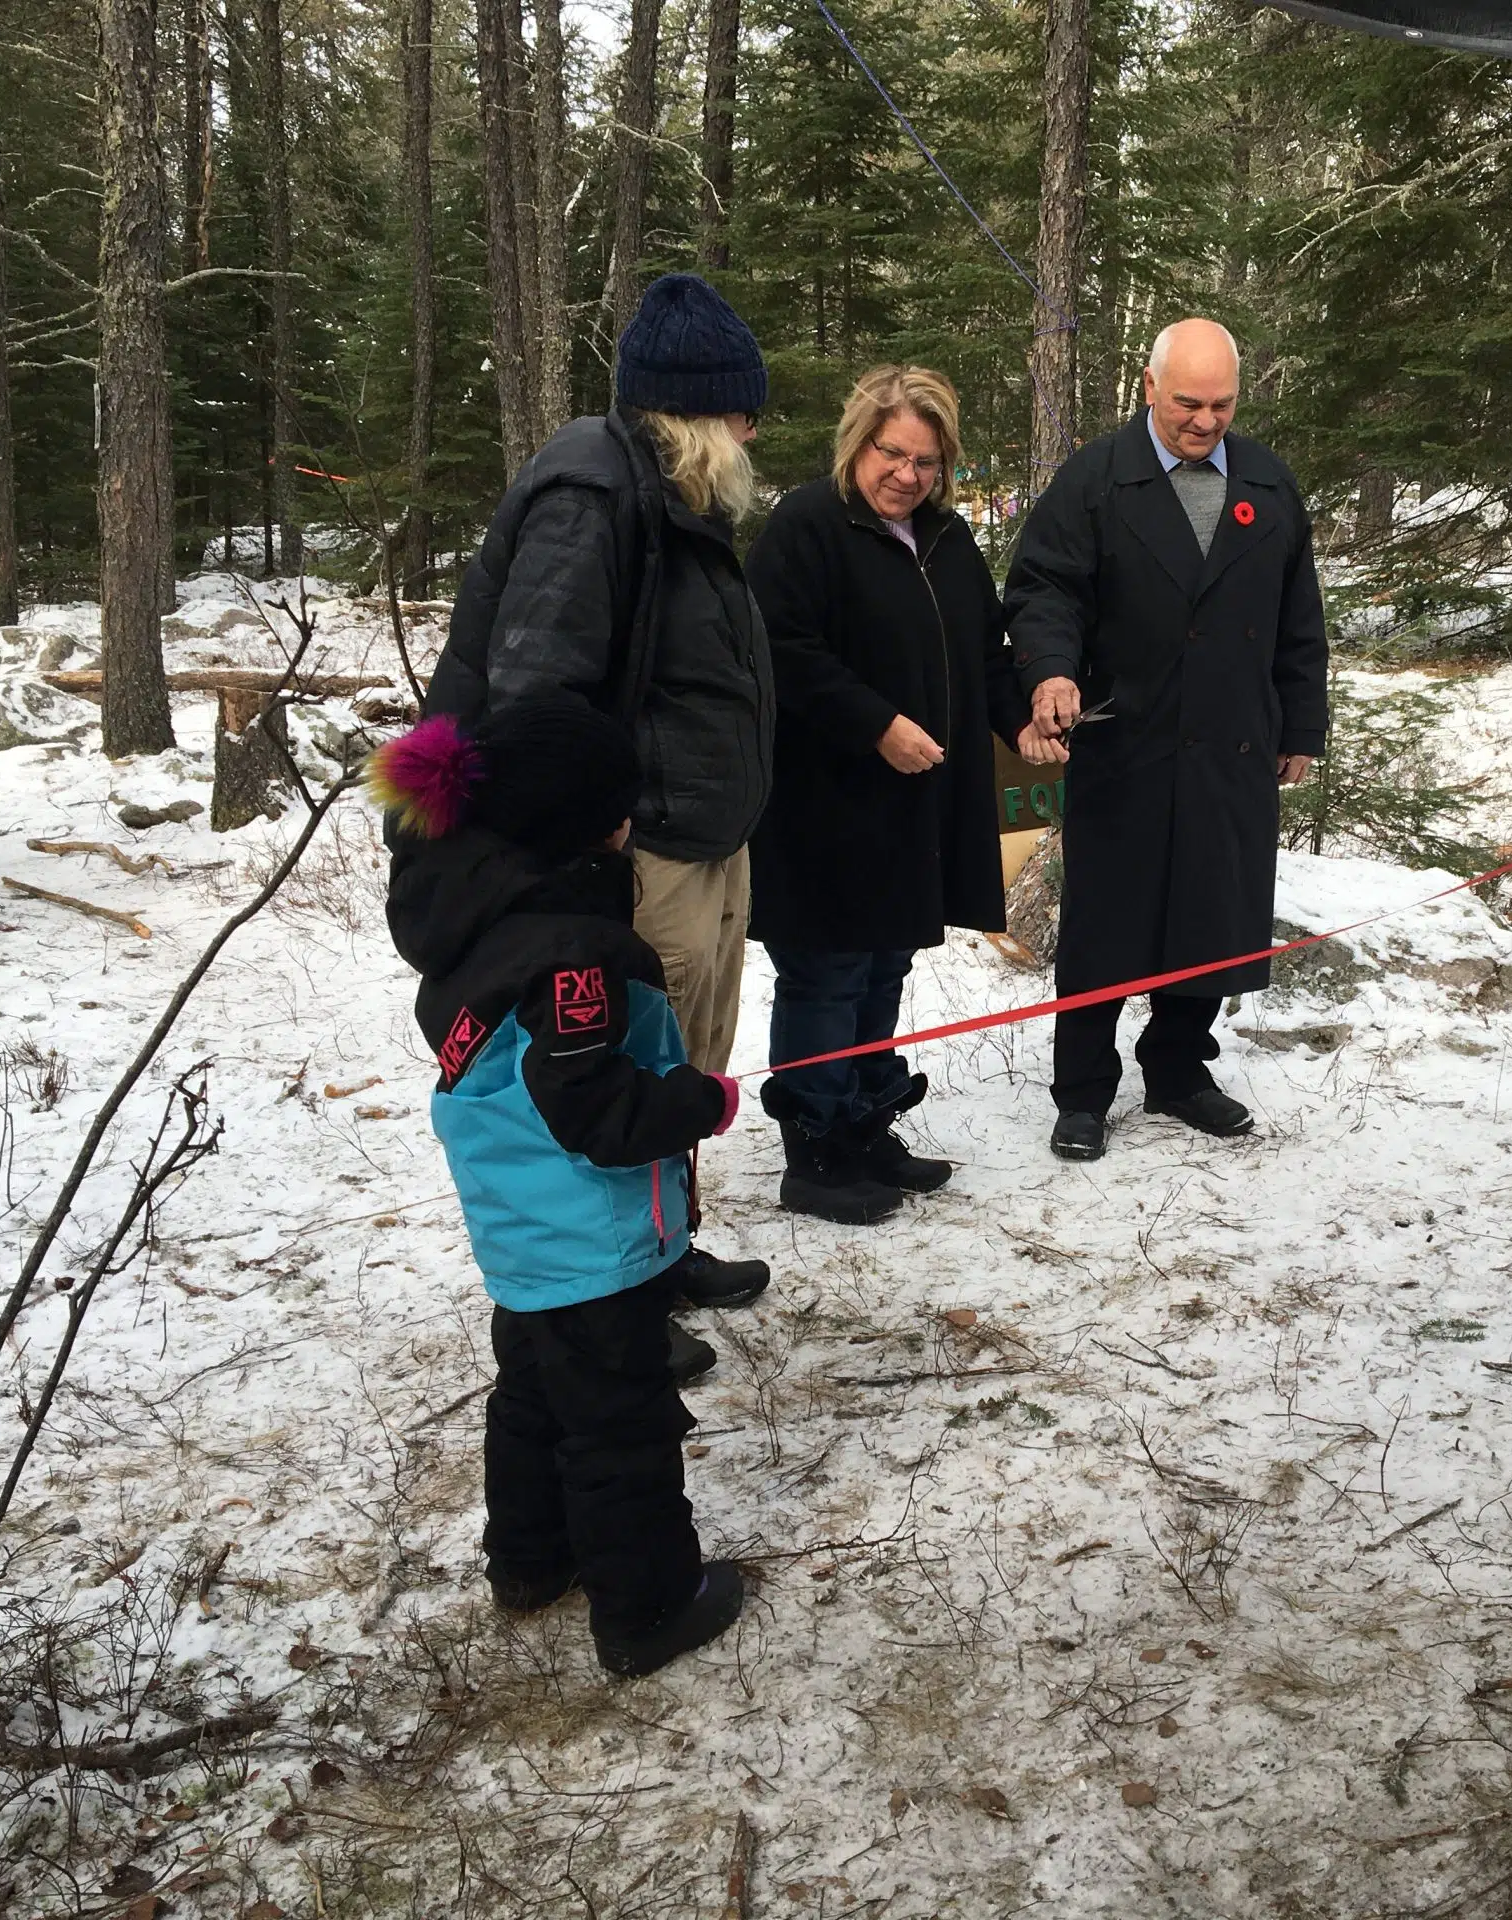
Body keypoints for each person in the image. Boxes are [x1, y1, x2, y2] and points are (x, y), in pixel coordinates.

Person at [374, 697, 747, 1680]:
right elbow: (592, 1112)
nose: (633, 820)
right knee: (620, 1423)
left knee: (534, 1397)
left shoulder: (478, 917)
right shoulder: (571, 950)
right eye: (619, 806)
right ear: (585, 822)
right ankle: (649, 1607)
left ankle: (531, 1561)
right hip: (589, 1241)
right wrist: (695, 1104)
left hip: (524, 1235)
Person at [421, 272, 776, 1306]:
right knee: (616, 1074)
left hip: (697, 837)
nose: (752, 433)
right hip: (637, 851)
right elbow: (539, 693)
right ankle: (613, 1292)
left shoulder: (666, 497)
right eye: (742, 411)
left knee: (681, 1069)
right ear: (701, 409)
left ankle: (661, 1252)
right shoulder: (591, 494)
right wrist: (593, 838)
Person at [1003, 318, 1329, 1161]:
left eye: (1221, 404)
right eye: (1188, 402)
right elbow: (1044, 588)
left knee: (1211, 915)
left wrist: (1302, 725)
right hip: (1127, 743)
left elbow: (1300, 620)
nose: (1204, 420)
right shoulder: (1096, 480)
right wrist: (1050, 670)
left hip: (1234, 747)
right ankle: (1081, 1092)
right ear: (1149, 388)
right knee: (1107, 925)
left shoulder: (1269, 482)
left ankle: (1179, 1071)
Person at [745, 366, 1049, 1222]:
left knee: (883, 966)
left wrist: (1018, 721)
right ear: (858, 442)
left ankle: (863, 1126)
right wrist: (875, 722)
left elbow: (984, 655)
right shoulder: (806, 525)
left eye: (926, 460)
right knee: (826, 974)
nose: (906, 475)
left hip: (912, 810)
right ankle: (812, 1153)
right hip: (825, 806)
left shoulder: (947, 541)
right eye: (892, 453)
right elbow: (781, 647)